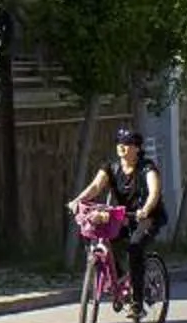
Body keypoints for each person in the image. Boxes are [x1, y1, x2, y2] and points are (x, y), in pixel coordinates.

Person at [69, 126, 165, 312]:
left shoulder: (147, 168)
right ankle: (119, 279)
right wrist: (78, 201)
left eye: (127, 143)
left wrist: (145, 209)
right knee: (99, 236)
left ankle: (137, 301)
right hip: (123, 217)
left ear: (137, 148)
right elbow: (95, 187)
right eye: (119, 142)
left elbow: (154, 192)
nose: (122, 146)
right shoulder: (111, 168)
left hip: (147, 217)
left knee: (135, 247)